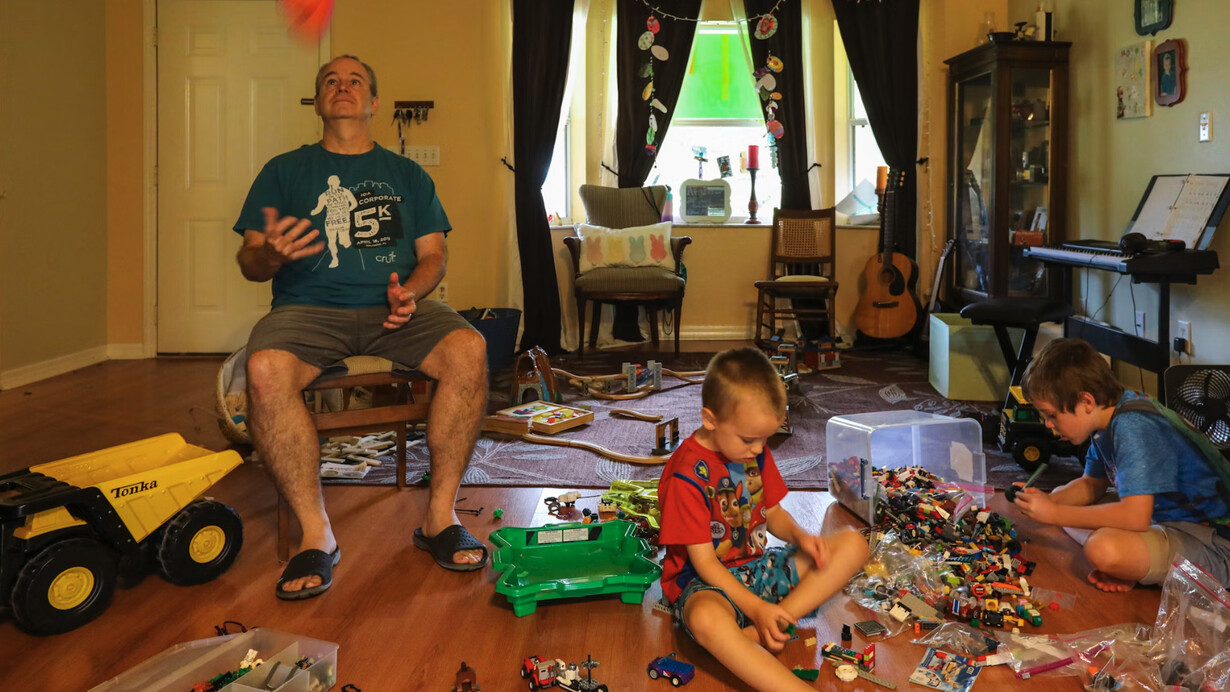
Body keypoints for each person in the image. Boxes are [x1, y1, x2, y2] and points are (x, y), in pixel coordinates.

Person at [233, 55, 489, 600]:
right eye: (331, 80)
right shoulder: (283, 171)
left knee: (469, 348)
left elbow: (434, 255)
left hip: (396, 309)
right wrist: (271, 255)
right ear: (318, 101)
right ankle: (316, 534)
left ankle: (439, 518)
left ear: (373, 102)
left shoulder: (408, 175)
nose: (342, 86)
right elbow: (250, 260)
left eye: (355, 81)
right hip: (307, 311)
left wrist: (410, 292)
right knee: (264, 369)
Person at [657, 348, 868, 690]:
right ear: (710, 419)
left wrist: (801, 538)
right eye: (749, 440)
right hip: (705, 585)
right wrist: (756, 607)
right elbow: (706, 564)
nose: (758, 449)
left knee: (852, 543)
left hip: (757, 570)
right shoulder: (687, 476)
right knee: (705, 618)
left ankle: (764, 629)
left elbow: (774, 513)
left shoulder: (752, 449)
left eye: (765, 439)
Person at [1016, 338, 1230, 592]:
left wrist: (1053, 513)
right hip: (1162, 517)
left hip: (1215, 543)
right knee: (1063, 499)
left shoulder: (1132, 426)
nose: (1048, 424)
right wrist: (1047, 501)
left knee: (1102, 548)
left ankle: (1136, 565)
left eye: (1052, 415)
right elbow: (1091, 485)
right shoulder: (1107, 420)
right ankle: (1138, 565)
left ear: (1086, 402)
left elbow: (1135, 517)